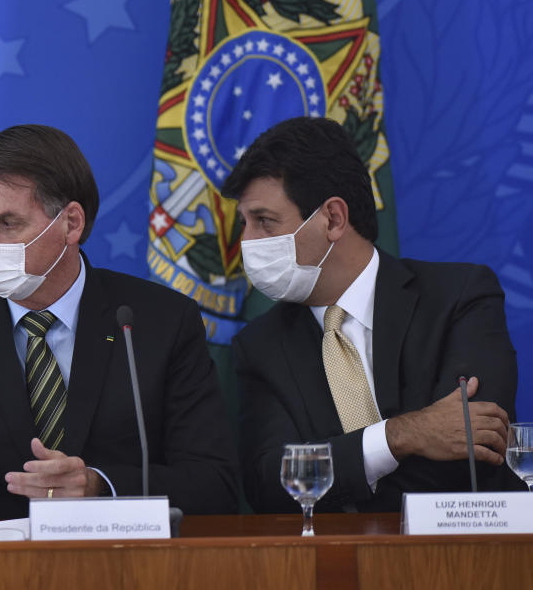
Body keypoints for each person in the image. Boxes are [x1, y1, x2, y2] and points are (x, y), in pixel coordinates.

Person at [0, 125, 240, 520]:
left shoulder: (160, 320)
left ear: (71, 223)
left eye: (7, 224)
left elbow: (213, 483)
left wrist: (100, 486)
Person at [222, 116, 522, 513]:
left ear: (333, 219)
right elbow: (271, 486)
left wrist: (341, 469)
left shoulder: (459, 298)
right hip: (333, 568)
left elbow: (473, 450)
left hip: (465, 561)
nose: (246, 242)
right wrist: (401, 436)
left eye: (264, 221)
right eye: (244, 223)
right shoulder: (259, 346)